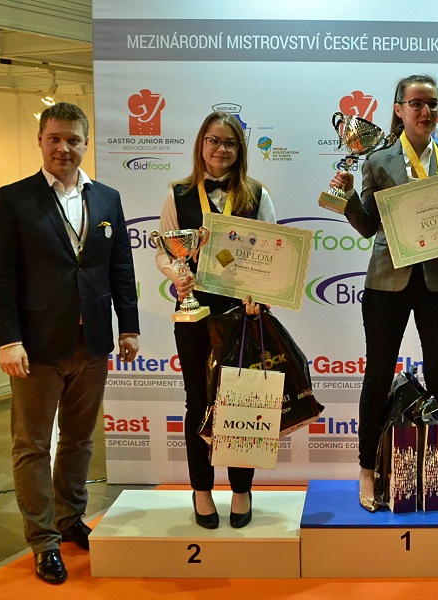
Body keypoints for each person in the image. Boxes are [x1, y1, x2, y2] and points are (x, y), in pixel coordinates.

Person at [0, 102, 140, 584]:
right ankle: (43, 541)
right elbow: (2, 277)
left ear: (86, 144)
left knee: (78, 439)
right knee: (32, 445)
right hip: (36, 347)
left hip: (92, 342)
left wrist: (129, 327)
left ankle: (71, 518)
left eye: (73, 139)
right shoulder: (14, 199)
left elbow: (120, 268)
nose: (63, 148)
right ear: (40, 140)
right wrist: (8, 339)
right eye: (54, 138)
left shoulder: (108, 199)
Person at [328, 74, 438, 511]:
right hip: (388, 281)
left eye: (433, 104)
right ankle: (366, 469)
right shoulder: (377, 160)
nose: (426, 111)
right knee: (377, 376)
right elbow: (368, 225)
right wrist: (347, 198)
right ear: (399, 109)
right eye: (417, 103)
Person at [155, 111, 274, 530]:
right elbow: (164, 251)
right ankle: (201, 490)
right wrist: (178, 275)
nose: (221, 149)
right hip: (194, 312)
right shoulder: (178, 194)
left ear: (240, 149)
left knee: (243, 401)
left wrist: (260, 294)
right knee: (197, 402)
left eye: (230, 142)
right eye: (213, 140)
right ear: (201, 144)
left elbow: (272, 253)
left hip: (244, 314)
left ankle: (242, 489)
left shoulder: (257, 194)